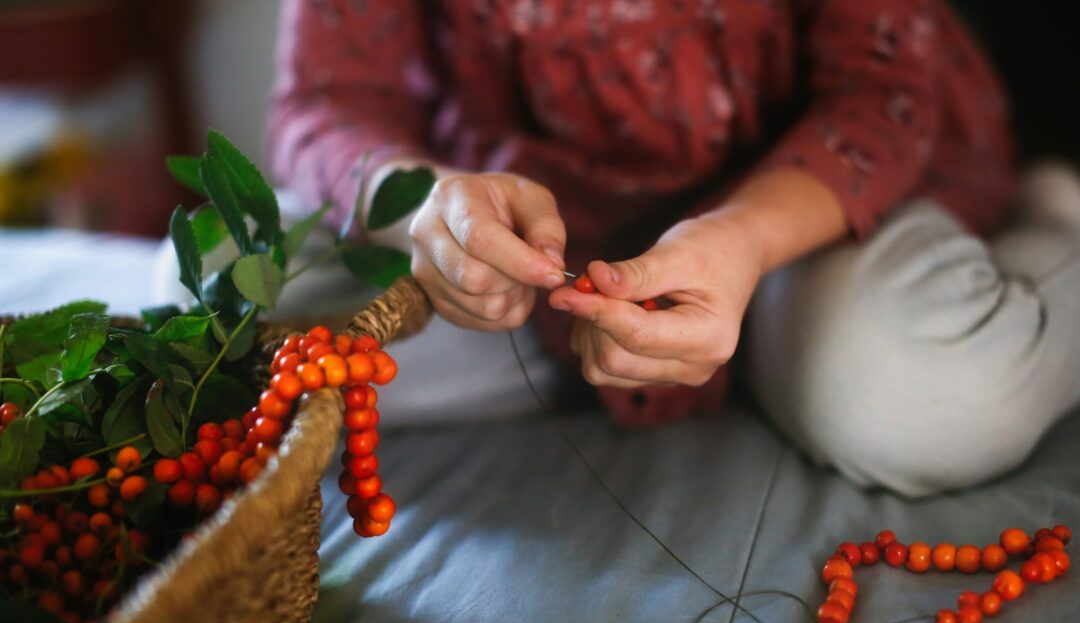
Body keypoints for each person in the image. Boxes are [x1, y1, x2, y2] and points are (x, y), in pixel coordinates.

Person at [268, 0, 1080, 498]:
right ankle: (731, 357)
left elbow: (882, 90)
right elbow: (323, 102)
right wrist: (427, 208)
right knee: (244, 335)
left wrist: (742, 239)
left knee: (922, 396)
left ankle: (1050, 231)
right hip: (518, 227)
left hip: (800, 209)